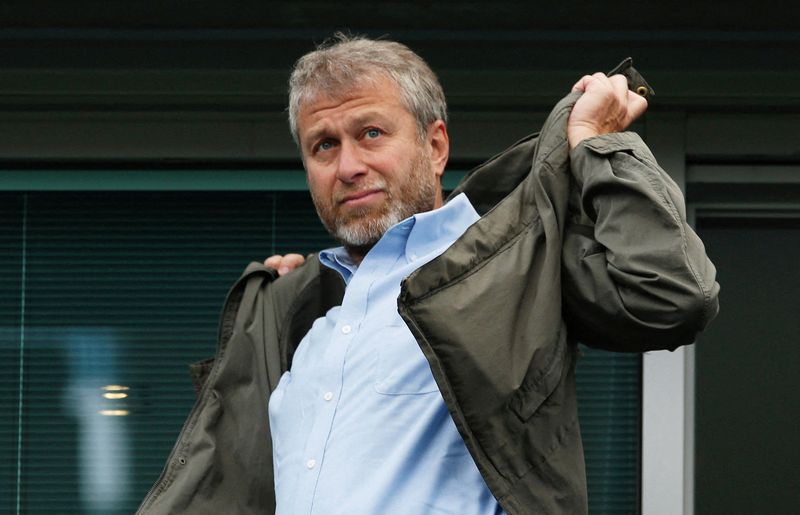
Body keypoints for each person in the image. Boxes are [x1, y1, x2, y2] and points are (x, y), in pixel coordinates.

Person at [137, 35, 719, 515]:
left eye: (371, 133)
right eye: (323, 146)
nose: (348, 166)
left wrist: (599, 144)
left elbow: (668, 295)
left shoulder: (513, 265)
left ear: (435, 146)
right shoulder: (306, 316)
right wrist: (287, 301)